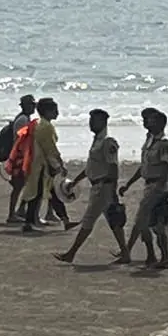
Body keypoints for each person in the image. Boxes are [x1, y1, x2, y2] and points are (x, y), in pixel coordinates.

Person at [54, 108, 124, 265]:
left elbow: (113, 168)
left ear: (103, 122)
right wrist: (75, 181)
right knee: (113, 220)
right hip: (97, 185)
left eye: (94, 120)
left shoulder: (107, 142)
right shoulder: (97, 142)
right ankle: (125, 252)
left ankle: (71, 253)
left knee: (88, 220)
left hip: (104, 186)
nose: (91, 124)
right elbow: (91, 168)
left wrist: (113, 190)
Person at [119, 108, 168, 268]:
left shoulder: (164, 144)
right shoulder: (149, 142)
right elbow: (144, 167)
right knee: (154, 223)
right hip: (149, 184)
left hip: (157, 187)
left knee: (147, 222)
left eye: (151, 120)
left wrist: (163, 187)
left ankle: (160, 257)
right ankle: (154, 256)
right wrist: (129, 184)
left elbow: (166, 167)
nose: (147, 122)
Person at [20, 98, 68, 234]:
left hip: (37, 163)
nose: (57, 112)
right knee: (38, 193)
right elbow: (50, 148)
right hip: (41, 165)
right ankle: (29, 223)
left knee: (46, 192)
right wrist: (60, 164)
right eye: (55, 110)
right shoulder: (46, 126)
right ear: (47, 111)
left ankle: (65, 220)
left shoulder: (37, 124)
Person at [1, 95, 38, 224]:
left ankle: (19, 211)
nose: (33, 107)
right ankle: (12, 214)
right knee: (18, 187)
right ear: (24, 106)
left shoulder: (24, 118)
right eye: (31, 105)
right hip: (19, 157)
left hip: (20, 156)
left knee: (22, 185)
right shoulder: (22, 120)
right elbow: (20, 140)